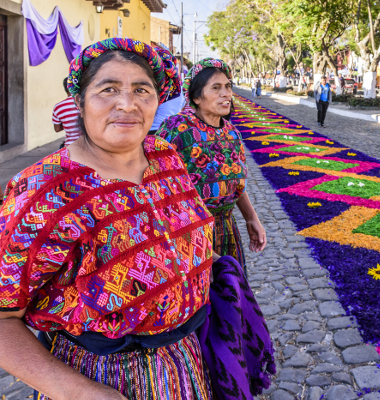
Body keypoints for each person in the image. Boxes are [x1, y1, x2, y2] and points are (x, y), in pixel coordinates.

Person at [0, 38, 274, 400]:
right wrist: (78, 392)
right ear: (79, 101)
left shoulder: (165, 158)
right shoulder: (44, 192)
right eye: (108, 88)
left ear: (157, 101)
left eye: (142, 90)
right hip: (103, 377)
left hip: (188, 363)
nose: (127, 104)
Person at [157, 58, 267, 274]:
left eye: (228, 87)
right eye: (216, 88)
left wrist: (251, 218)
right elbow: (158, 189)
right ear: (196, 97)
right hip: (188, 234)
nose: (225, 94)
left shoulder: (231, 133)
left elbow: (235, 184)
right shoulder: (177, 130)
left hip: (226, 231)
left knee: (229, 297)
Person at [149, 46, 185, 135]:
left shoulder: (147, 86)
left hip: (147, 133)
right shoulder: (178, 88)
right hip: (170, 133)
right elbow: (181, 110)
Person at [52, 77, 82, 148]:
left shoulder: (58, 107)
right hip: (86, 146)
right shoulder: (85, 103)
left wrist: (68, 122)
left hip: (69, 146)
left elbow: (57, 129)